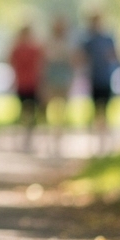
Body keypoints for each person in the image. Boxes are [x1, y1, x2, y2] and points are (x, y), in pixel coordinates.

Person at [81, 13, 120, 154]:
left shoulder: (107, 39)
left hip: (105, 78)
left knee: (105, 111)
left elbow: (115, 56)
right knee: (95, 111)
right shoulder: (88, 41)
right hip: (94, 79)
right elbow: (81, 58)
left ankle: (105, 143)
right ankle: (96, 143)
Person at [39, 16, 75, 157]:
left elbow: (72, 62)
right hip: (51, 79)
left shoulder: (69, 42)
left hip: (64, 79)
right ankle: (49, 140)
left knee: (63, 112)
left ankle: (59, 140)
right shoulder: (48, 42)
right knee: (49, 111)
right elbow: (43, 62)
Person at [9, 24, 45, 152]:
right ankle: (24, 139)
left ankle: (28, 140)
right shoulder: (18, 48)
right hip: (23, 83)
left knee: (31, 113)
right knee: (25, 112)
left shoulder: (34, 48)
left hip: (32, 83)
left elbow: (40, 65)